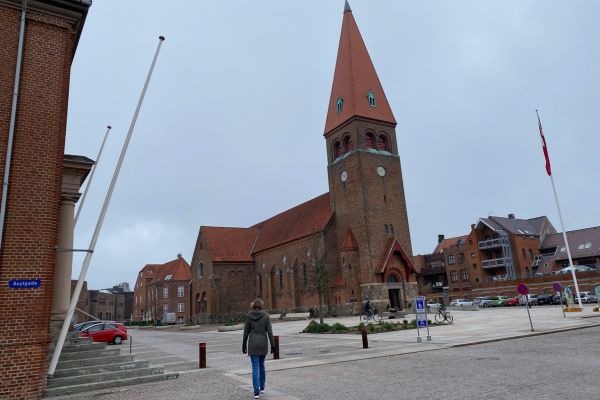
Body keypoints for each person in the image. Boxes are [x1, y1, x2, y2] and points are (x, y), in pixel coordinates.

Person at [242, 298, 276, 399]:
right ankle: (262, 387)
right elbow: (270, 332)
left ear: (253, 306)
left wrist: (243, 345)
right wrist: (273, 345)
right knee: (262, 366)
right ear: (261, 306)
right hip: (263, 344)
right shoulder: (266, 316)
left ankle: (256, 392)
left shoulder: (249, 316)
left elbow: (246, 332)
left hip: (253, 345)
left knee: (255, 368)